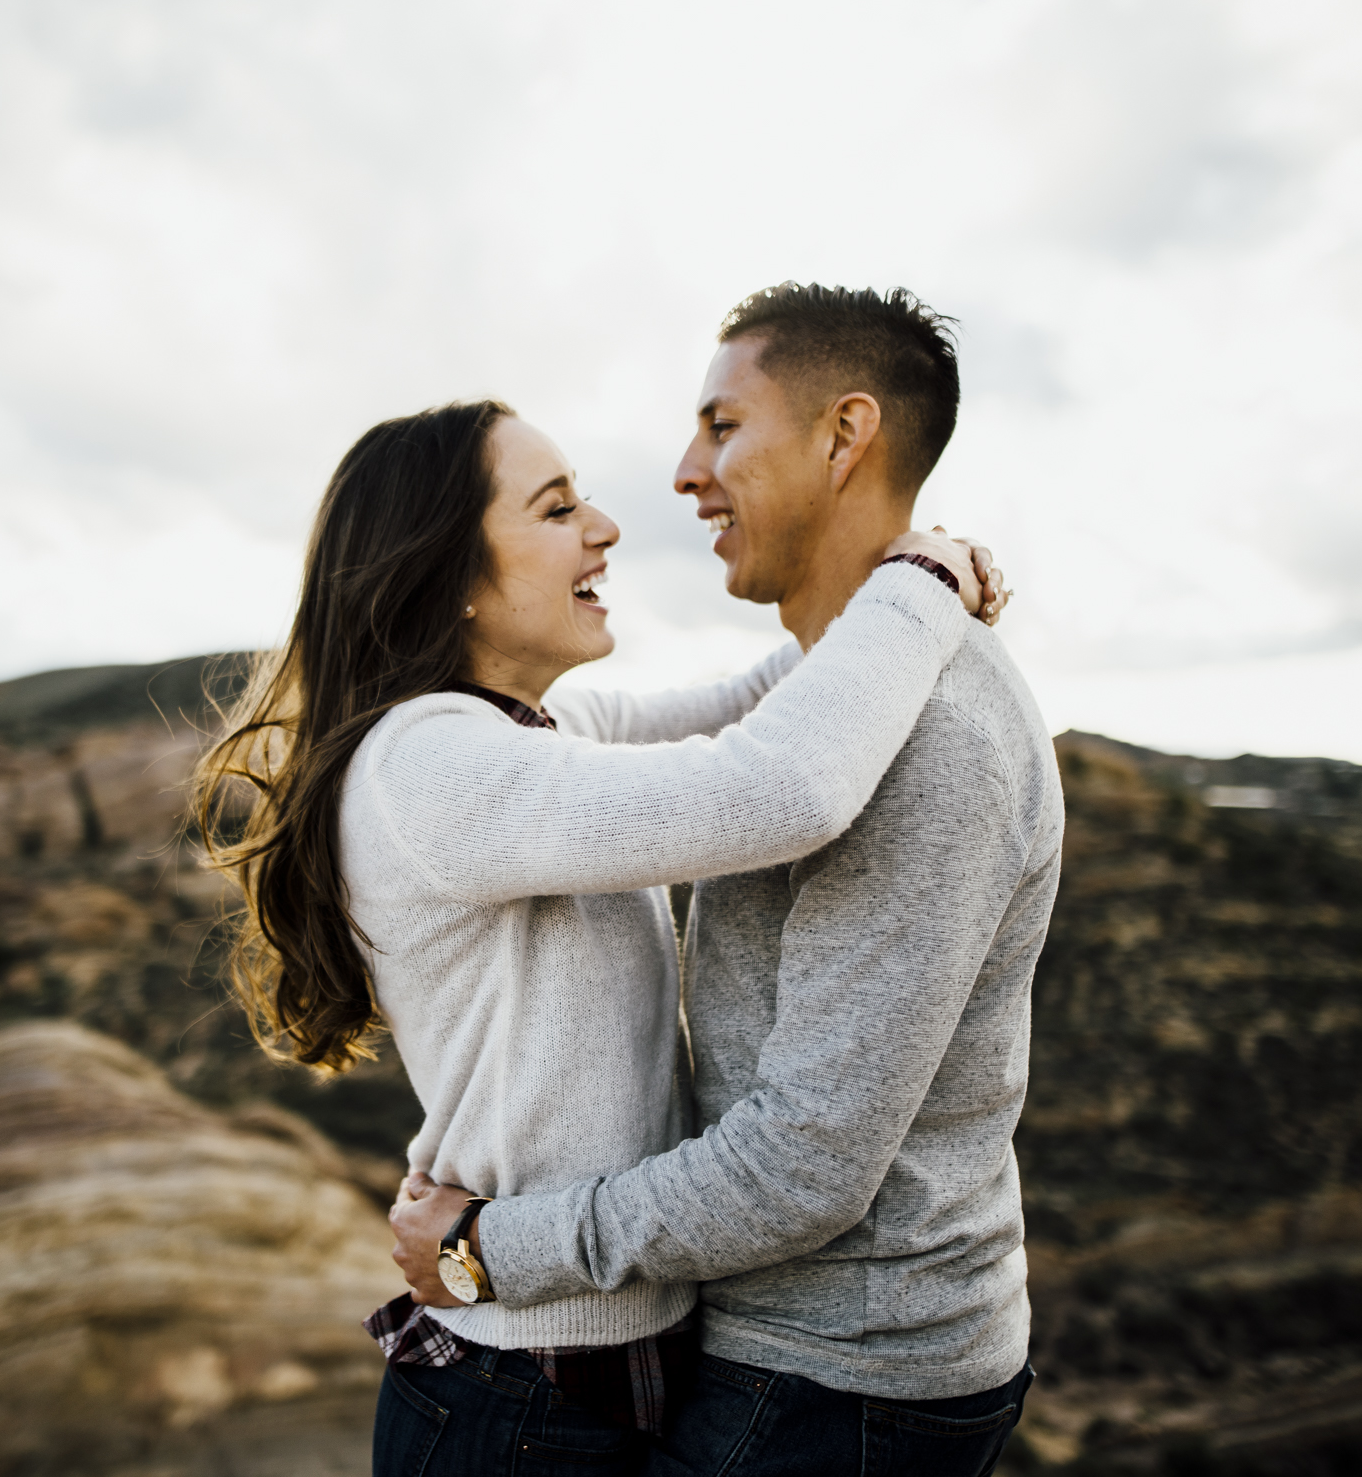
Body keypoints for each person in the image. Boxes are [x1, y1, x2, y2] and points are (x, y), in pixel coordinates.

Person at [189, 393, 1005, 1476]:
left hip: (605, 1366)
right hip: (514, 1396)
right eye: (556, 507)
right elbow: (782, 788)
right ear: (449, 577)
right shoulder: (430, 766)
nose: (605, 528)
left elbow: (762, 701)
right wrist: (914, 591)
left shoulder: (534, 732)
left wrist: (897, 574)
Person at [389, 284, 1063, 1477]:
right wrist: (914, 580)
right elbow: (756, 749)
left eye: (721, 427)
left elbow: (800, 1167)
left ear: (843, 436)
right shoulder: (449, 755)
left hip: (835, 1374)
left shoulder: (925, 738)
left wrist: (492, 1247)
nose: (682, 474)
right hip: (789, 1344)